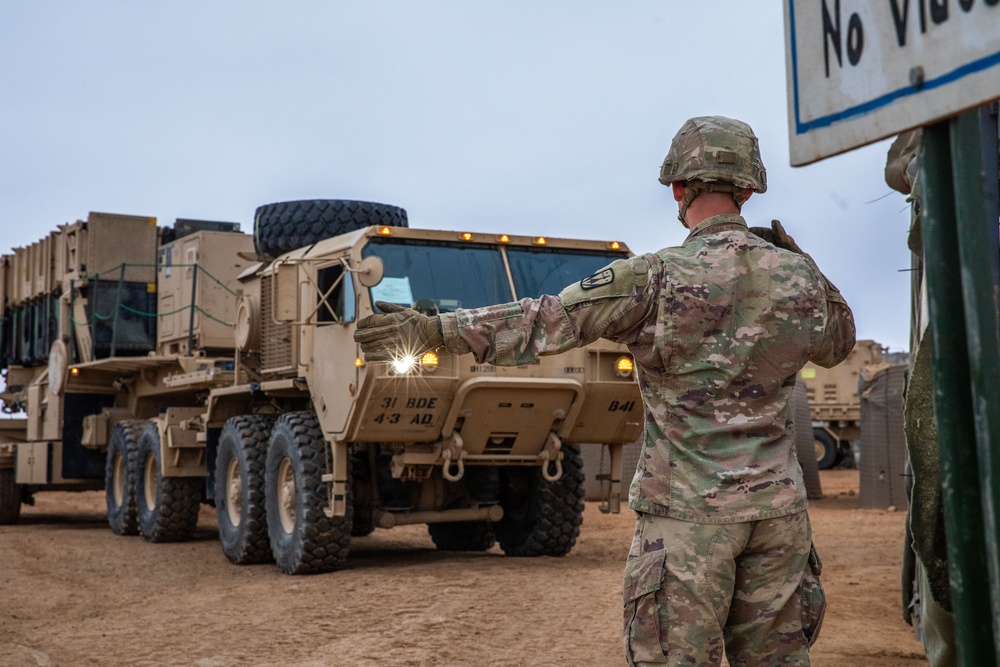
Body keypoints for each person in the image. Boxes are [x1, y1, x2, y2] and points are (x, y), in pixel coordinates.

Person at [354, 115, 855, 666]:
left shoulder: (653, 277)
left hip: (687, 521)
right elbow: (838, 342)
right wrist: (796, 258)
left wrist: (434, 329)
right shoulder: (798, 278)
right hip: (778, 520)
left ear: (678, 189)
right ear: (749, 189)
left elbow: (544, 322)